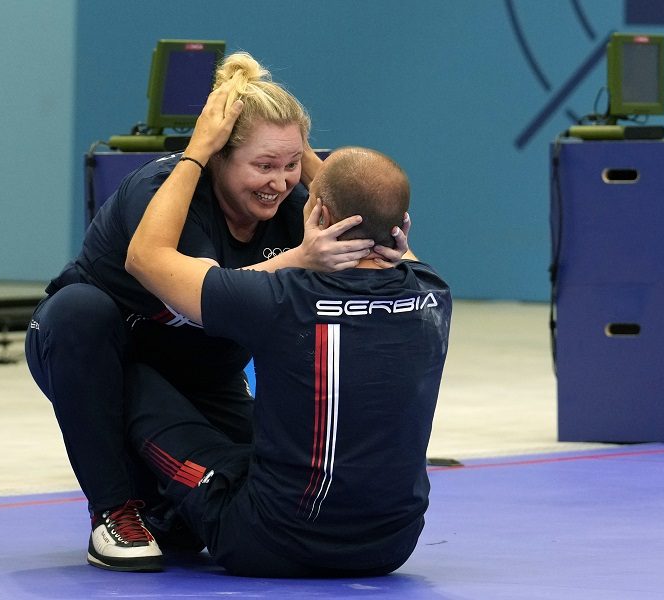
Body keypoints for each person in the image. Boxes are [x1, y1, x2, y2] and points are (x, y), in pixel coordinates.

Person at [24, 51, 409, 572]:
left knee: (246, 489)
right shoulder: (162, 193)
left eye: (291, 164)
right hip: (99, 356)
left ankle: (164, 512)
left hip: (203, 370)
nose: (278, 181)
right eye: (263, 165)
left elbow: (365, 227)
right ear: (220, 159)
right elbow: (201, 290)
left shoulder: (298, 206)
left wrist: (330, 190)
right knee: (78, 310)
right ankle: (113, 513)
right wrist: (199, 150)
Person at [122, 77, 452, 577]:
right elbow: (375, 216)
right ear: (401, 226)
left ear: (317, 208)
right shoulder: (434, 294)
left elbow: (146, 258)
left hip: (269, 544)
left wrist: (197, 153)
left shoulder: (283, 298)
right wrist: (313, 168)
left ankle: (132, 512)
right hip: (391, 546)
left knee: (122, 369)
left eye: (294, 170)